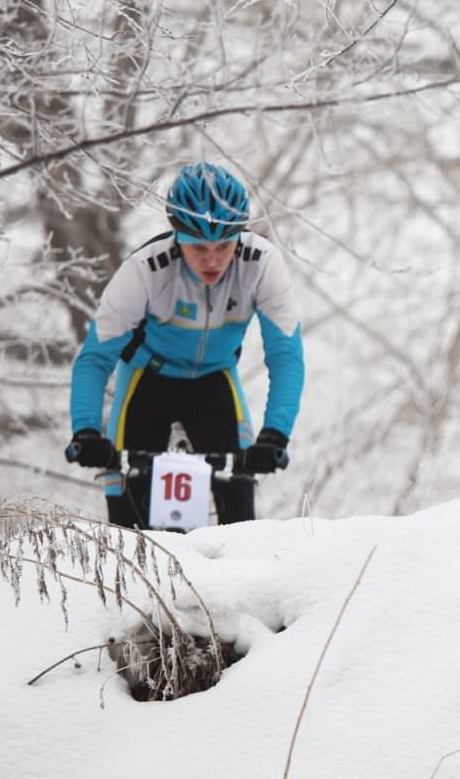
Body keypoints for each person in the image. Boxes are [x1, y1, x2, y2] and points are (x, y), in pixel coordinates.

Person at [66, 161, 304, 526]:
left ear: (240, 235)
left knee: (239, 516)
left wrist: (274, 435)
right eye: (199, 248)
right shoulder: (144, 270)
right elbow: (95, 359)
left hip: (214, 382)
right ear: (178, 237)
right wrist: (85, 431)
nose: (213, 259)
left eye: (224, 246)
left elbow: (286, 356)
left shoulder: (262, 264)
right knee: (128, 527)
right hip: (146, 383)